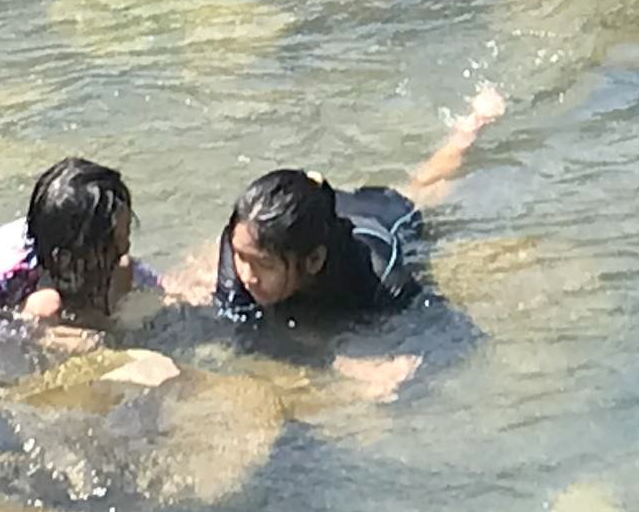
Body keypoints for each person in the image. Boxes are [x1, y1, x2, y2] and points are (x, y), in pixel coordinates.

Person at [199, 84, 510, 341]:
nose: (248, 276)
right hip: (312, 213)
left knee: (425, 187)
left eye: (263, 265)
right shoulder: (244, 237)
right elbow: (238, 325)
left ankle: (469, 129)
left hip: (384, 216)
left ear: (314, 261)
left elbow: (455, 336)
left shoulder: (380, 278)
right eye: (243, 259)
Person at [0, 156, 158, 340]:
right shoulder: (10, 276)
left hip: (61, 261)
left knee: (123, 273)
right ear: (64, 260)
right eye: (116, 243)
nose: (126, 247)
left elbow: (153, 286)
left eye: (126, 234)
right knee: (46, 306)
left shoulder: (93, 254)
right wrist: (44, 336)